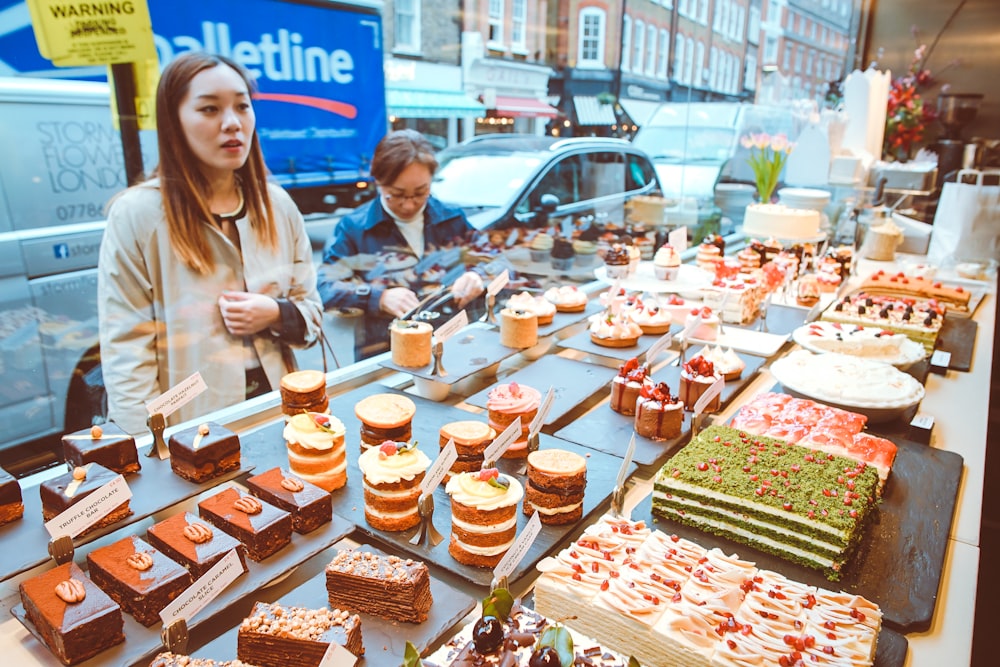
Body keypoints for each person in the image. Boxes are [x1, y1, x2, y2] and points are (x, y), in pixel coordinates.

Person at [98, 52, 322, 435]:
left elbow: (313, 310)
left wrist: (275, 312)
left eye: (242, 106)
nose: (232, 123)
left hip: (277, 401)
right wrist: (146, 445)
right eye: (209, 109)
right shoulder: (138, 213)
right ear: (174, 121)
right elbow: (126, 350)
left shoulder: (277, 205)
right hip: (192, 418)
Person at [317, 129, 484, 359]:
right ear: (378, 183)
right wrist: (378, 297)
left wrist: (477, 275)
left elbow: (494, 259)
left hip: (450, 346)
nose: (409, 205)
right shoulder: (355, 227)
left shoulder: (451, 219)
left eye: (420, 192)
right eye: (396, 194)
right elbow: (325, 287)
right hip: (386, 354)